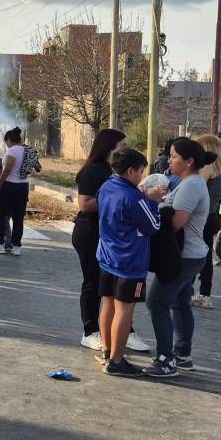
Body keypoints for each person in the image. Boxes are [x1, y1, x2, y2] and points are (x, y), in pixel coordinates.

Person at [73, 129, 153, 353]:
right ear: (108, 146)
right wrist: (116, 201)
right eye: (121, 145)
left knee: (114, 292)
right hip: (89, 232)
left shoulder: (116, 172)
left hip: (111, 234)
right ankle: (90, 332)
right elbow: (84, 204)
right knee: (93, 284)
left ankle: (125, 333)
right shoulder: (93, 171)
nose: (125, 149)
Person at [144, 138, 215, 378]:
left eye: (174, 156)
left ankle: (166, 360)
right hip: (191, 254)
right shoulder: (189, 182)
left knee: (157, 301)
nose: (169, 160)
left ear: (189, 161)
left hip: (184, 257)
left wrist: (155, 206)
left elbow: (177, 223)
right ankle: (182, 354)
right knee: (180, 302)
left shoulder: (192, 185)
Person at [96, 148, 162, 377]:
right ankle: (116, 360)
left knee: (107, 303)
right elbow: (153, 227)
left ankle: (106, 350)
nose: (142, 177)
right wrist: (153, 201)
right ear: (131, 170)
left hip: (106, 256)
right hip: (129, 261)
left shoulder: (106, 187)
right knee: (125, 310)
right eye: (141, 172)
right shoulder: (133, 197)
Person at [193, 134, 221, 310]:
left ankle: (189, 291)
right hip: (212, 215)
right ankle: (204, 293)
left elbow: (195, 189)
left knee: (192, 255)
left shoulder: (208, 167)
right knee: (205, 256)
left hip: (201, 216)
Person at [0, 127, 31, 256]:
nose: (7, 144)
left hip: (9, 186)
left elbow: (8, 168)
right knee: (18, 218)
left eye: (6, 142)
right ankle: (16, 247)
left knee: (1, 214)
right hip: (23, 186)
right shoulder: (27, 150)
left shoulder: (12, 150)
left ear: (9, 140)